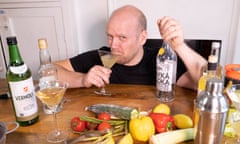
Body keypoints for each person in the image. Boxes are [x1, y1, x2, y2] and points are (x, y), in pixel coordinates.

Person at [54, 5, 206, 90]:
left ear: (142, 38)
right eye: (110, 36)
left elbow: (207, 83)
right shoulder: (103, 56)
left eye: (122, 38)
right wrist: (82, 79)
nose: (113, 45)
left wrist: (180, 46)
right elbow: (48, 71)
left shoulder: (161, 62)